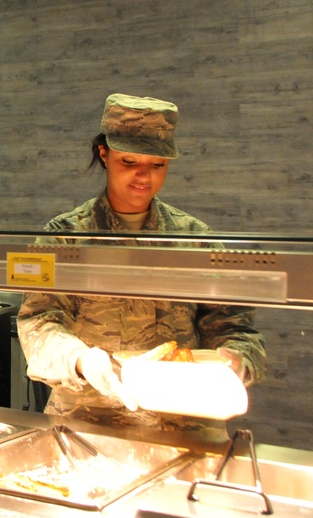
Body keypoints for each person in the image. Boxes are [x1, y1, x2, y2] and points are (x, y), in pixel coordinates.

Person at [17, 93, 265, 434]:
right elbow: (38, 323)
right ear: (104, 154)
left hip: (184, 425)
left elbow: (235, 327)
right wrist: (80, 359)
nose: (143, 177)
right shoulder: (65, 236)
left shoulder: (195, 238)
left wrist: (236, 360)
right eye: (130, 162)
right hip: (89, 423)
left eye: (157, 165)